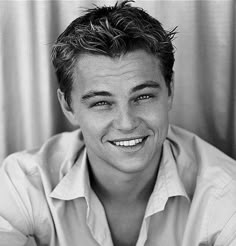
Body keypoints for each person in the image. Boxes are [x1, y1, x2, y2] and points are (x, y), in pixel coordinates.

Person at [0, 1, 236, 245]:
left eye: (143, 96)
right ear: (68, 106)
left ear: (170, 91)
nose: (126, 123)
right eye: (101, 102)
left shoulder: (226, 194)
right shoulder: (23, 183)